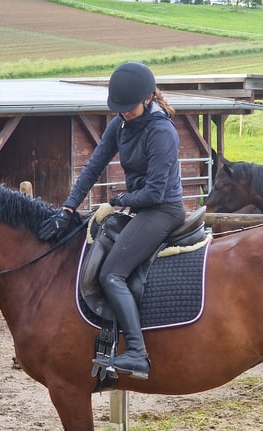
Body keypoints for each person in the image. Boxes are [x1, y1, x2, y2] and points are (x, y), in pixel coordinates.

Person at [37, 61, 186, 379]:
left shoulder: (161, 132)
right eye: (119, 108)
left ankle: (136, 353)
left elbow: (156, 192)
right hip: (139, 207)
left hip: (163, 210)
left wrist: (118, 201)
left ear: (147, 99)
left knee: (112, 273)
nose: (123, 112)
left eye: (128, 107)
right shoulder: (119, 125)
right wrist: (67, 209)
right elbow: (93, 167)